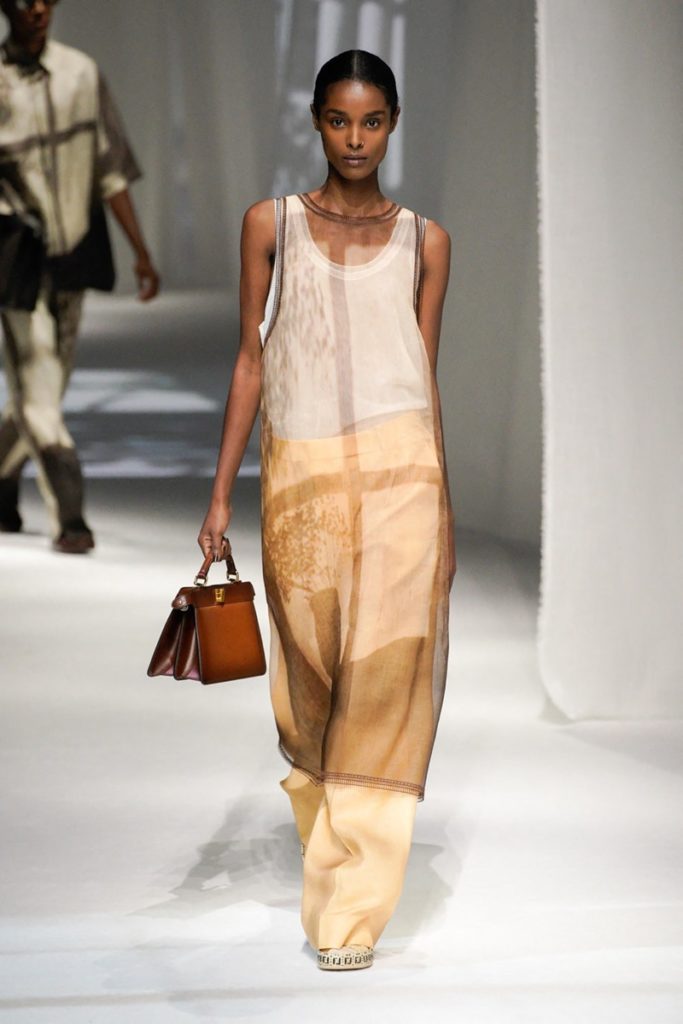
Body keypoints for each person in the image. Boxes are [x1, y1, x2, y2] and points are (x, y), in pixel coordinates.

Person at [199, 50, 455, 971]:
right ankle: (328, 830)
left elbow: (423, 375)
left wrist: (445, 504)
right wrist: (221, 493)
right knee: (308, 690)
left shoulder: (426, 241)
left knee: (386, 679)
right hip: (301, 479)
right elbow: (250, 359)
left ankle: (351, 907)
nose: (355, 139)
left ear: (393, 123)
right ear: (316, 121)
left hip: (402, 478)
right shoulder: (269, 225)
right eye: (340, 120)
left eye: (371, 121)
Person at [0, 0, 159, 553]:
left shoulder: (81, 74)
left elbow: (110, 170)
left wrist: (141, 251)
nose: (37, 9)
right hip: (15, 263)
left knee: (43, 390)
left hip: (71, 259)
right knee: (39, 392)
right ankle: (70, 517)